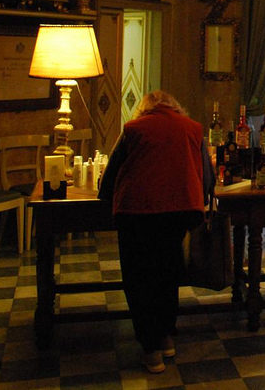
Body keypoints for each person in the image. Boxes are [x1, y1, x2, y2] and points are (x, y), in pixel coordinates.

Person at [98, 91, 214, 374]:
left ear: (144, 109)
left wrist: (106, 196)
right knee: (167, 275)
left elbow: (111, 176)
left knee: (139, 280)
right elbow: (208, 178)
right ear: (176, 108)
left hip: (137, 214)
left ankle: (151, 351)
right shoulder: (193, 129)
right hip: (179, 213)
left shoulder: (133, 129)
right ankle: (166, 337)